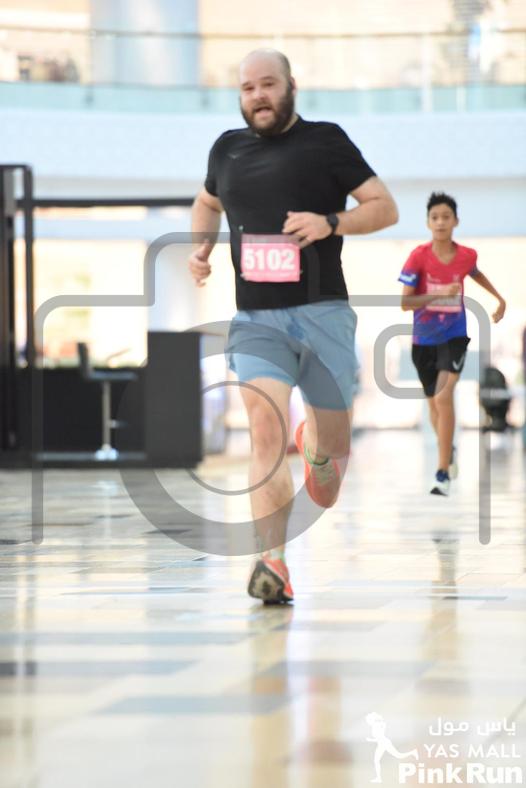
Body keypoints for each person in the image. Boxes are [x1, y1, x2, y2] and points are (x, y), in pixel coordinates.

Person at [189, 49, 398, 603]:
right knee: (264, 432)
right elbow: (206, 202)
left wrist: (330, 221)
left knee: (332, 444)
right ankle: (272, 562)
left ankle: (319, 450)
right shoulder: (226, 149)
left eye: (268, 84)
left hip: (322, 311)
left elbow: (384, 207)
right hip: (256, 315)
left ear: (290, 87)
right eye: (247, 87)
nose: (258, 95)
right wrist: (202, 248)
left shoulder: (326, 141)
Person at [399, 191, 506, 496]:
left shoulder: (466, 255)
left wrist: (499, 298)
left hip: (454, 336)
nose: (441, 222)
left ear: (456, 221)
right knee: (434, 405)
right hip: (423, 339)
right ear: (428, 223)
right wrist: (438, 294)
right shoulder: (418, 257)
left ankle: (442, 471)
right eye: (435, 217)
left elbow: (475, 273)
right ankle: (449, 450)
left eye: (446, 217)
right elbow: (405, 304)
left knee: (444, 396)